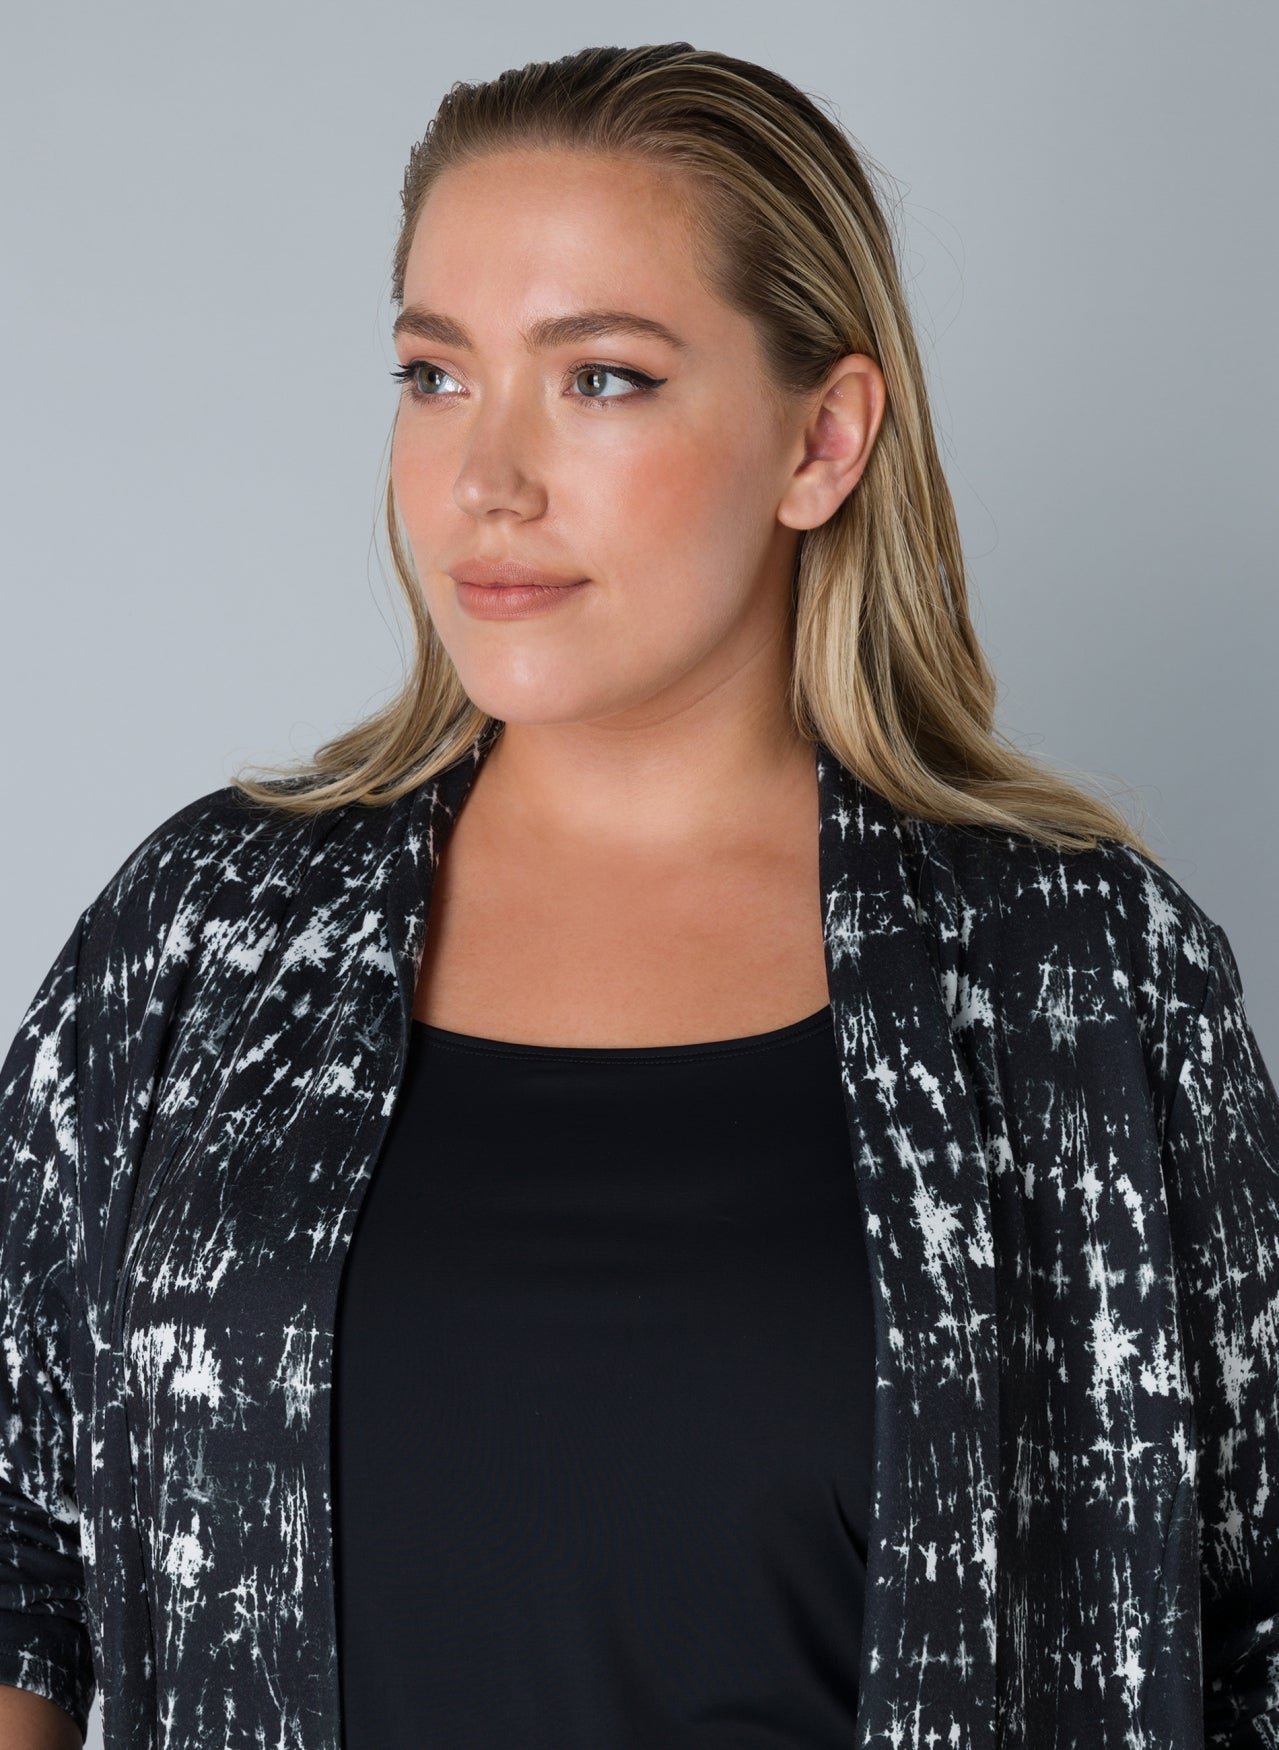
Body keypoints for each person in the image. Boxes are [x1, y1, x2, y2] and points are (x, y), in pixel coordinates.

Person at [2, 40, 1276, 1750]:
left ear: (822, 439)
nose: (487, 479)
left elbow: (1252, 1621)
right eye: (435, 374)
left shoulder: (1082, 977)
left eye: (600, 378)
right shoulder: (209, 936)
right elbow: (19, 1532)